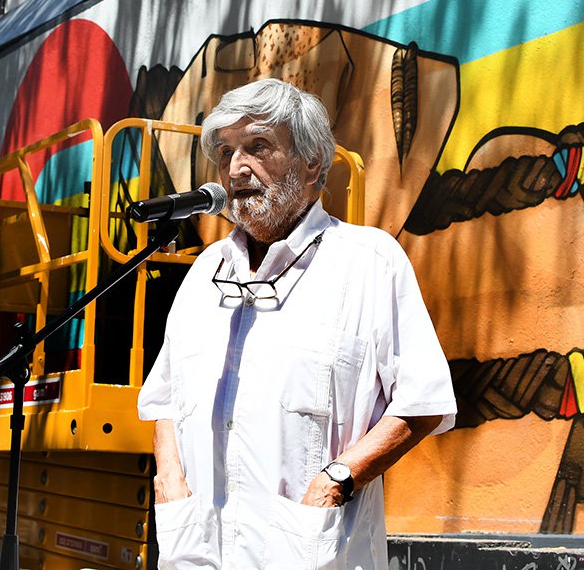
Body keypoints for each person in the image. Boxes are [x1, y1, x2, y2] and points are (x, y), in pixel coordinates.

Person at [138, 78, 457, 569]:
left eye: (257, 146)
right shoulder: (205, 273)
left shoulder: (369, 261)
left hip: (312, 550)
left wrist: (337, 481)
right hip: (199, 553)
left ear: (311, 162)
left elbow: (422, 403)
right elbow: (164, 398)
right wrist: (169, 481)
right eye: (225, 153)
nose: (236, 168)